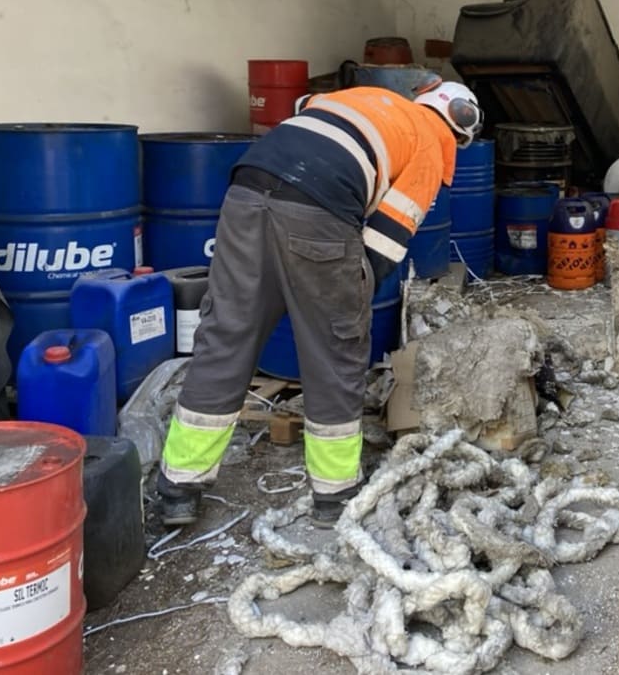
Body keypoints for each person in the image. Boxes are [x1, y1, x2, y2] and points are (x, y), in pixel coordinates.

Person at [156, 81, 483, 527]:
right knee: (335, 349)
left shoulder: (368, 97)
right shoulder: (431, 140)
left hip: (246, 189)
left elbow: (303, 108)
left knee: (226, 335)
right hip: (319, 205)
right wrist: (351, 297)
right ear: (458, 128)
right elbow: (387, 238)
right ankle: (335, 494)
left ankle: (178, 488)